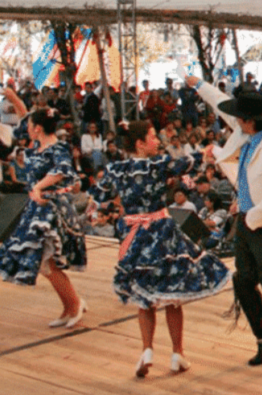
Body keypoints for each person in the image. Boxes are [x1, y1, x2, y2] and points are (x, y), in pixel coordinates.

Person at [90, 121, 231, 377]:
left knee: (145, 298)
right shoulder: (157, 164)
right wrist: (206, 151)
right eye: (153, 137)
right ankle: (177, 353)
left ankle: (147, 350)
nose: (157, 140)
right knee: (172, 296)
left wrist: (119, 204)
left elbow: (99, 196)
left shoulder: (115, 168)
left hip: (133, 234)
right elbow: (186, 164)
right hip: (160, 232)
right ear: (140, 144)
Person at [188, 75, 262, 366]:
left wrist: (253, 215)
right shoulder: (244, 136)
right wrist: (199, 84)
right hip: (245, 218)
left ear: (249, 120)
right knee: (243, 282)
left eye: (240, 116)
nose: (235, 119)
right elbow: (220, 105)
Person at [0, 104, 88, 328]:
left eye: (31, 125)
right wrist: (7, 98)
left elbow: (61, 171)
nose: (27, 128)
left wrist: (39, 187)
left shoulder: (58, 148)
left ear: (38, 128)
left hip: (51, 208)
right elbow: (21, 121)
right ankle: (71, 304)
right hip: (37, 208)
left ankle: (73, 304)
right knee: (45, 263)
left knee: (47, 261)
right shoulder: (34, 149)